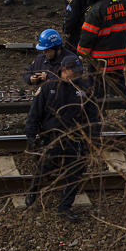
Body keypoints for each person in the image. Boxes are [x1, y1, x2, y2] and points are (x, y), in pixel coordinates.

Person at [25, 55, 102, 222]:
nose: (77, 76)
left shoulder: (85, 88)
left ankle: (64, 207)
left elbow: (93, 116)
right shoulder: (49, 87)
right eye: (74, 73)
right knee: (43, 168)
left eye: (79, 72)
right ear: (64, 71)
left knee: (75, 173)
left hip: (75, 139)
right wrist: (31, 135)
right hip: (51, 137)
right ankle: (33, 192)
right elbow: (35, 113)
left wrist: (94, 138)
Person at [77, 0, 126, 100]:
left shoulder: (96, 10)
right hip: (120, 56)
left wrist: (81, 53)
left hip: (100, 59)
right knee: (122, 83)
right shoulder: (125, 4)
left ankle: (97, 113)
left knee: (96, 86)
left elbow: (88, 35)